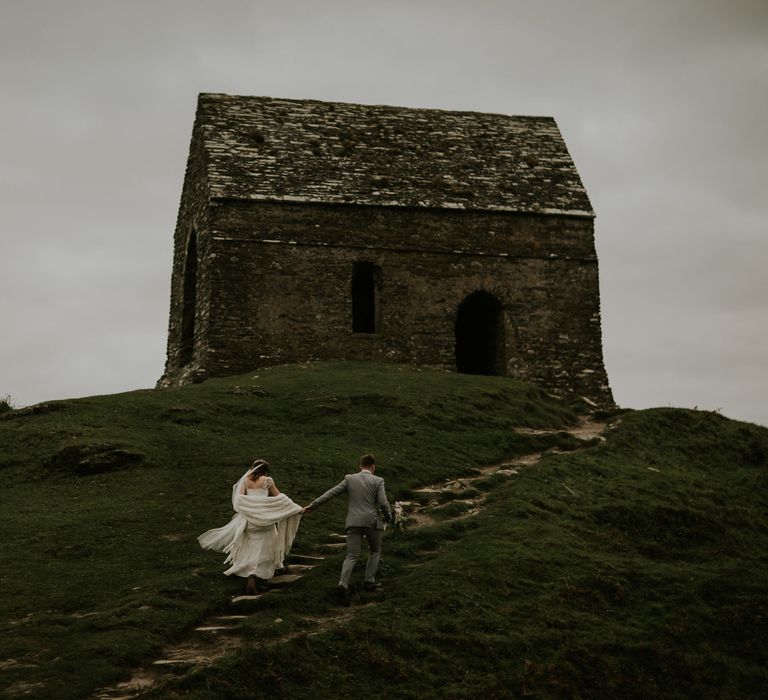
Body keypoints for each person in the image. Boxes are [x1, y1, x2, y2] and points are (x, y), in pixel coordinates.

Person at [198, 459, 303, 595]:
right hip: (264, 520)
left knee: (250, 546)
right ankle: (258, 572)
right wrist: (296, 508)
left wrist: (250, 508)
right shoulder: (268, 480)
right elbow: (279, 498)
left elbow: (239, 499)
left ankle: (252, 571)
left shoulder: (245, 480)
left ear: (252, 468)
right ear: (265, 470)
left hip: (249, 521)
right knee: (267, 545)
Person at [304, 453, 392, 605]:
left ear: (360, 466)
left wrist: (313, 505)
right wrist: (389, 517)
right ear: (373, 467)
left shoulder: (349, 479)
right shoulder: (378, 480)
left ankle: (342, 585)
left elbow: (331, 493)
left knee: (351, 556)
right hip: (372, 522)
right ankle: (369, 582)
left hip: (353, 522)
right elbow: (383, 503)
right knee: (375, 551)